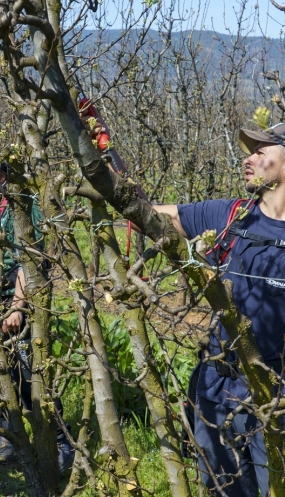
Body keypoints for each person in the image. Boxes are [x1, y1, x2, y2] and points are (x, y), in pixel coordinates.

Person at [153, 123, 285, 496]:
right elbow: (151, 214)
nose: (248, 158)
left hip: (277, 399)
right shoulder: (229, 217)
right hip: (219, 389)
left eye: (261, 150)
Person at [0, 164, 75, 473]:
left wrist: (17, 307)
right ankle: (7, 438)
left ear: (0, 175)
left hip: (24, 294)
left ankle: (60, 440)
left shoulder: (24, 206)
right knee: (0, 367)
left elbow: (32, 260)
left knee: (30, 373)